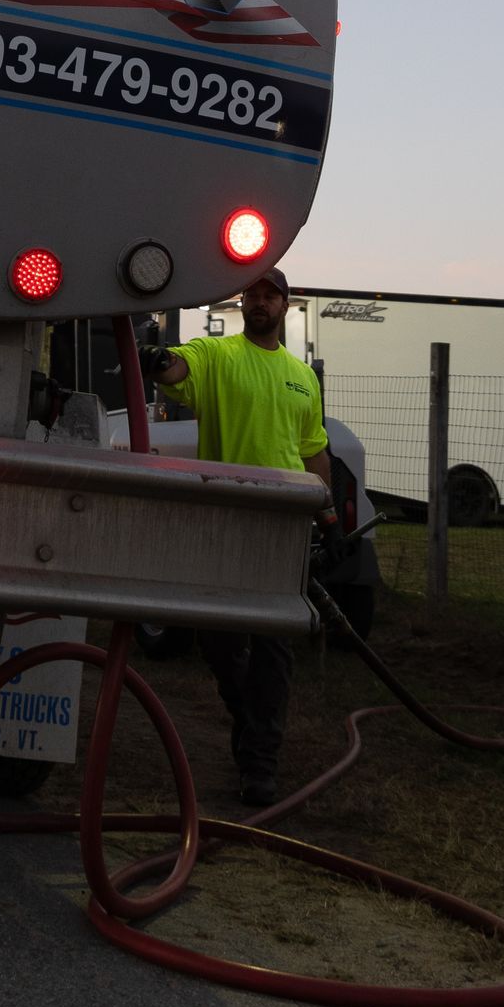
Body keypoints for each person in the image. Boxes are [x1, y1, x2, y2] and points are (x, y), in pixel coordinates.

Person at [142, 268, 331, 806]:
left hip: (282, 528)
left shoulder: (302, 377)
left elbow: (313, 449)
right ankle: (251, 725)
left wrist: (330, 517)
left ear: (286, 305)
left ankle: (259, 764)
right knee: (220, 642)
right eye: (253, 293)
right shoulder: (218, 357)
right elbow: (179, 368)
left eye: (270, 294)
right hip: (225, 524)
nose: (260, 302)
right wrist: (159, 359)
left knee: (273, 647)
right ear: (243, 301)